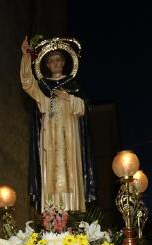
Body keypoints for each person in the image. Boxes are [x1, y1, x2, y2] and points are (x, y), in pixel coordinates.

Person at [20, 36, 95, 212]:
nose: (55, 63)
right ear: (46, 65)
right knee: (51, 168)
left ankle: (73, 210)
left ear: (64, 63)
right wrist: (25, 57)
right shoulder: (43, 87)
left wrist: (68, 98)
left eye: (58, 60)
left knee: (70, 168)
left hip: (69, 134)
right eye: (51, 61)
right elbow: (27, 84)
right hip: (49, 135)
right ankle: (52, 213)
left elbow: (85, 107)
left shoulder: (73, 85)